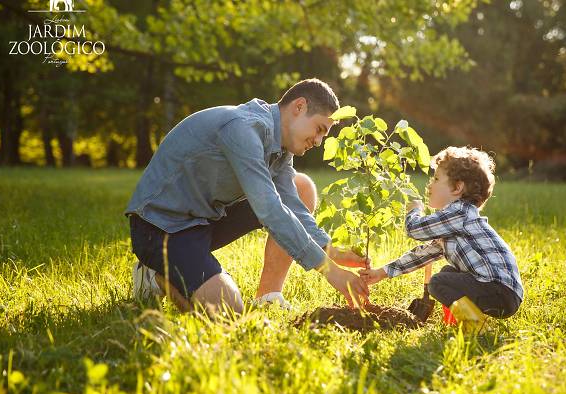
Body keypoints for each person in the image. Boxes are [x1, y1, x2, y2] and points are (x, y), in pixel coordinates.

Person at [125, 78, 369, 314]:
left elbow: (292, 205)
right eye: (319, 130)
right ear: (299, 106)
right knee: (227, 311)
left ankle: (269, 297)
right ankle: (153, 277)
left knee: (301, 187)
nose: (317, 141)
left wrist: (330, 250)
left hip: (203, 220)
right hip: (160, 227)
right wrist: (329, 271)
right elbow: (270, 209)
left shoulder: (281, 148)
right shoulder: (243, 128)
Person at [359, 147, 524, 329]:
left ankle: (477, 327)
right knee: (447, 273)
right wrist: (381, 272)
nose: (430, 184)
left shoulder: (459, 212)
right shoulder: (454, 222)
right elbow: (422, 254)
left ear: (457, 188)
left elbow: (414, 229)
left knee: (438, 283)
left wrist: (414, 210)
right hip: (501, 291)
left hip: (499, 290)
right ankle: (457, 322)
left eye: (436, 179)